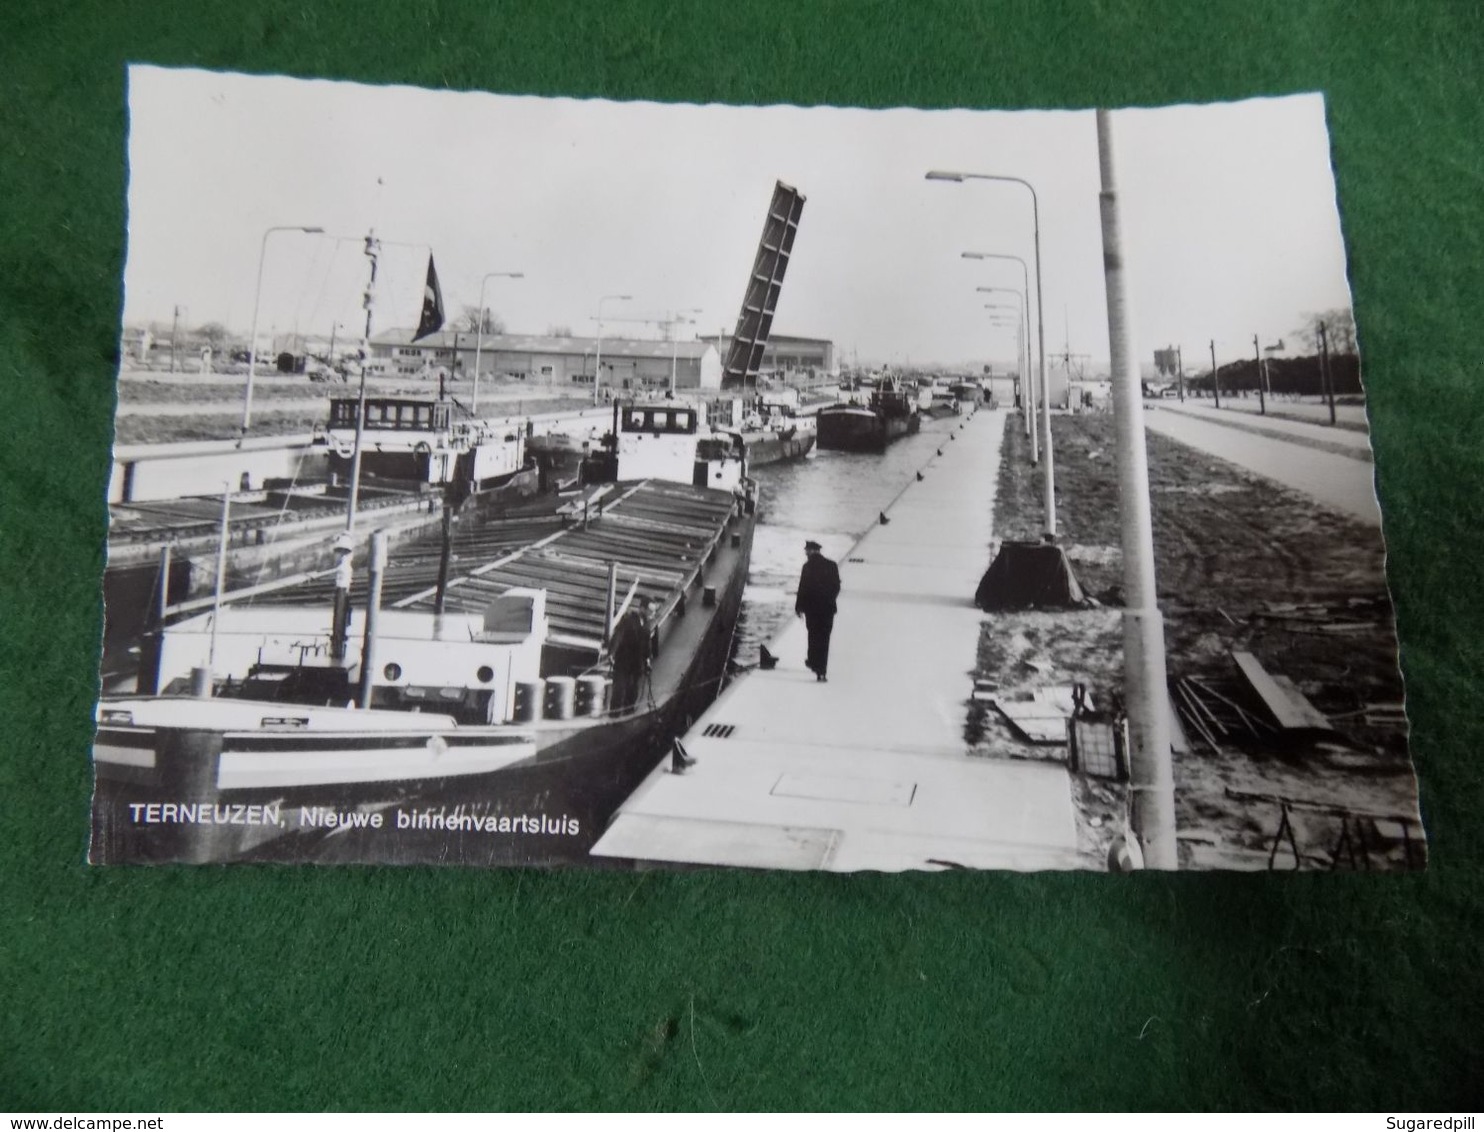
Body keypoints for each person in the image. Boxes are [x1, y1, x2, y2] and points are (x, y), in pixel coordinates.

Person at [795, 539, 841, 682]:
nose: (805, 553)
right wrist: (829, 599)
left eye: (806, 551)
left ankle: (814, 661)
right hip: (827, 609)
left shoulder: (807, 567)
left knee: (813, 636)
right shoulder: (832, 565)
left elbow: (802, 589)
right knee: (824, 638)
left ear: (811, 551)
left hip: (812, 609)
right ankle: (821, 671)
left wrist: (799, 607)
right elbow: (836, 587)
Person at [608, 598, 657, 711]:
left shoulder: (647, 625)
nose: (652, 614)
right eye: (650, 611)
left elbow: (647, 643)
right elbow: (618, 635)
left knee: (632, 695)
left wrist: (648, 660)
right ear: (642, 609)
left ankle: (627, 718)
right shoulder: (628, 619)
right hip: (623, 664)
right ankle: (613, 718)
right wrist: (612, 653)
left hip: (637, 665)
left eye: (653, 611)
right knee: (619, 693)